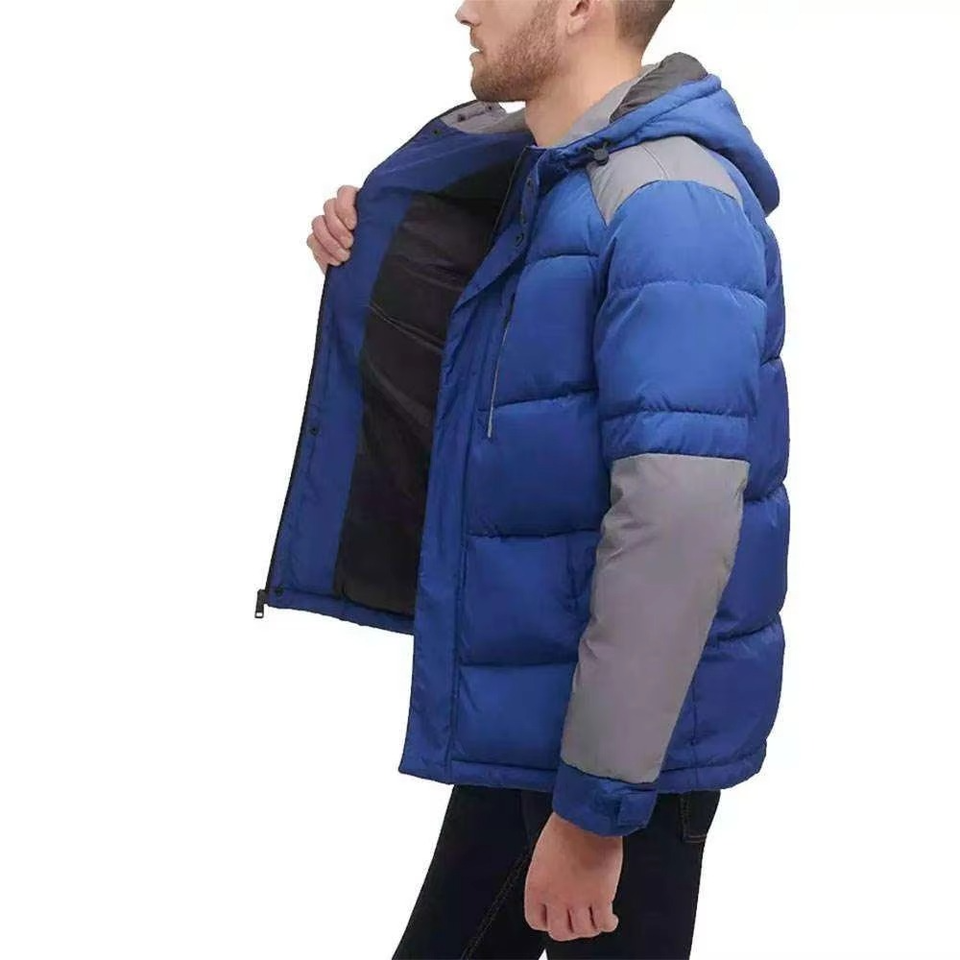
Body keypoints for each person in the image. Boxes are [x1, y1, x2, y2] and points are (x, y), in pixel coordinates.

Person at [280, 1, 788, 956]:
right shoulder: (556, 186)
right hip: (539, 716)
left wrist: (596, 812)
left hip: (624, 763)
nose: (464, 8)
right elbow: (517, 402)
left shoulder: (671, 204)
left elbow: (675, 521)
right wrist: (377, 245)